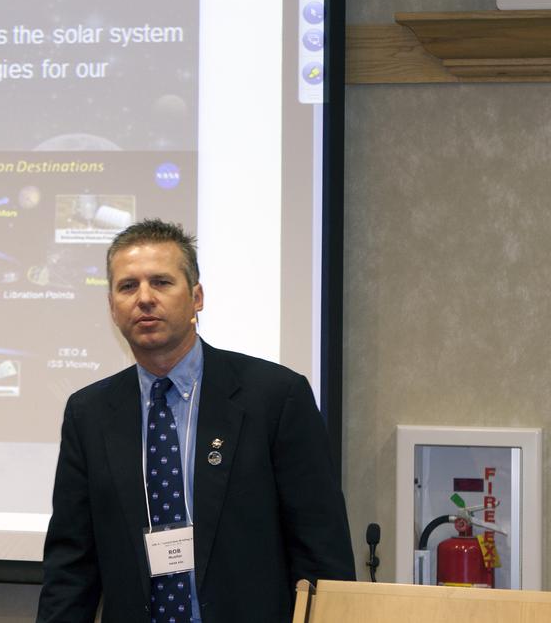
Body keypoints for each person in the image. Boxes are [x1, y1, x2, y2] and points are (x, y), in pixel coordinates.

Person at [37, 219, 354, 623]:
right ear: (112, 308)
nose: (145, 298)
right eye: (128, 286)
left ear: (197, 297)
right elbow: (71, 568)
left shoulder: (275, 397)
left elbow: (321, 555)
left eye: (162, 282)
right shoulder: (89, 413)